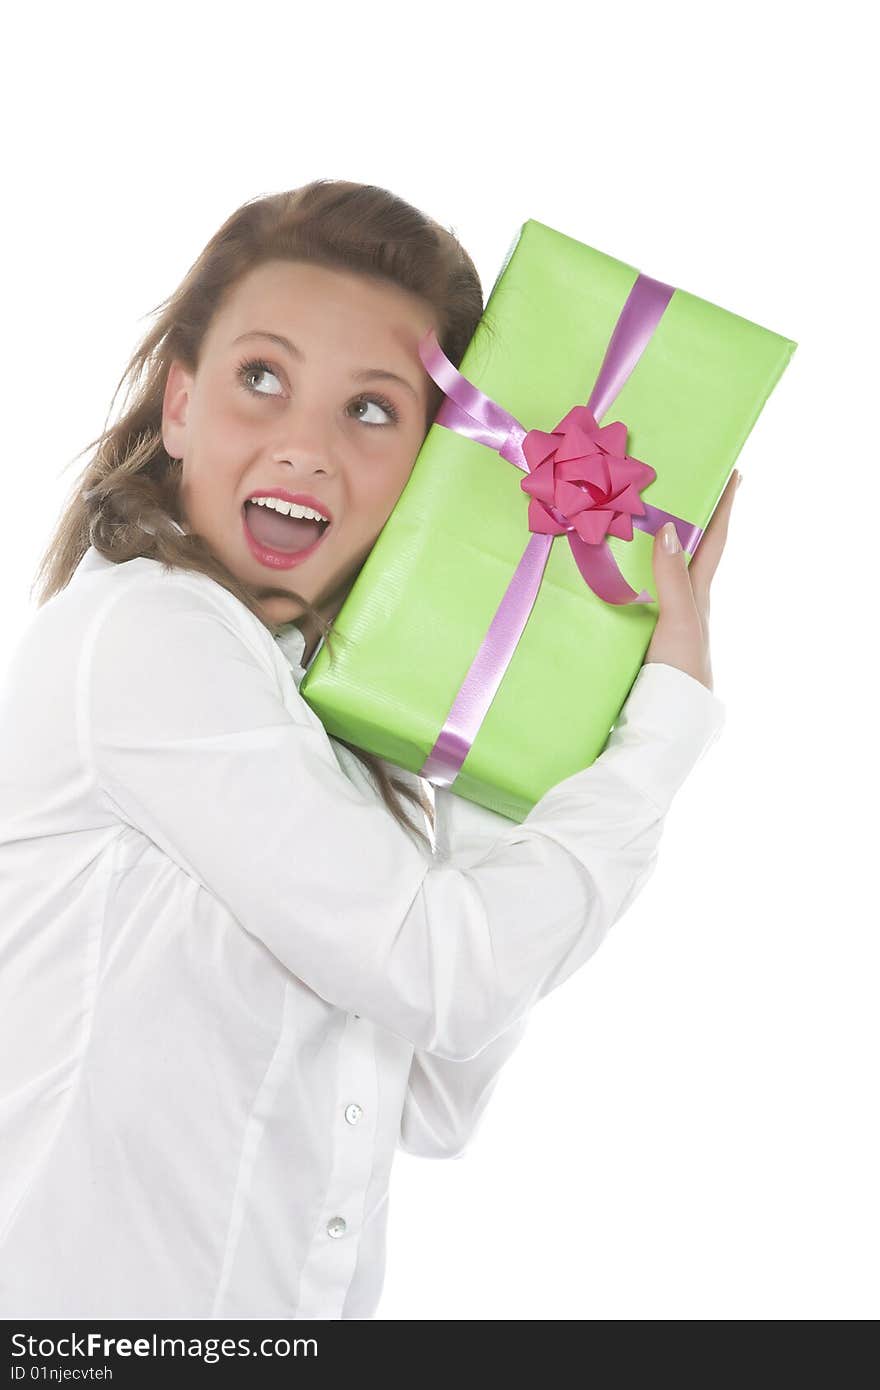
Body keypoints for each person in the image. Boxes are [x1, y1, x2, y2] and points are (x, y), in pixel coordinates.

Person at [0, 179, 738, 1320]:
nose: (303, 446)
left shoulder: (329, 731)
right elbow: (450, 975)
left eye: (373, 411)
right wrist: (661, 724)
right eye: (262, 379)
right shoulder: (145, 640)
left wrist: (536, 683)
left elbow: (433, 1089)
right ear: (180, 403)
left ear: (435, 465)